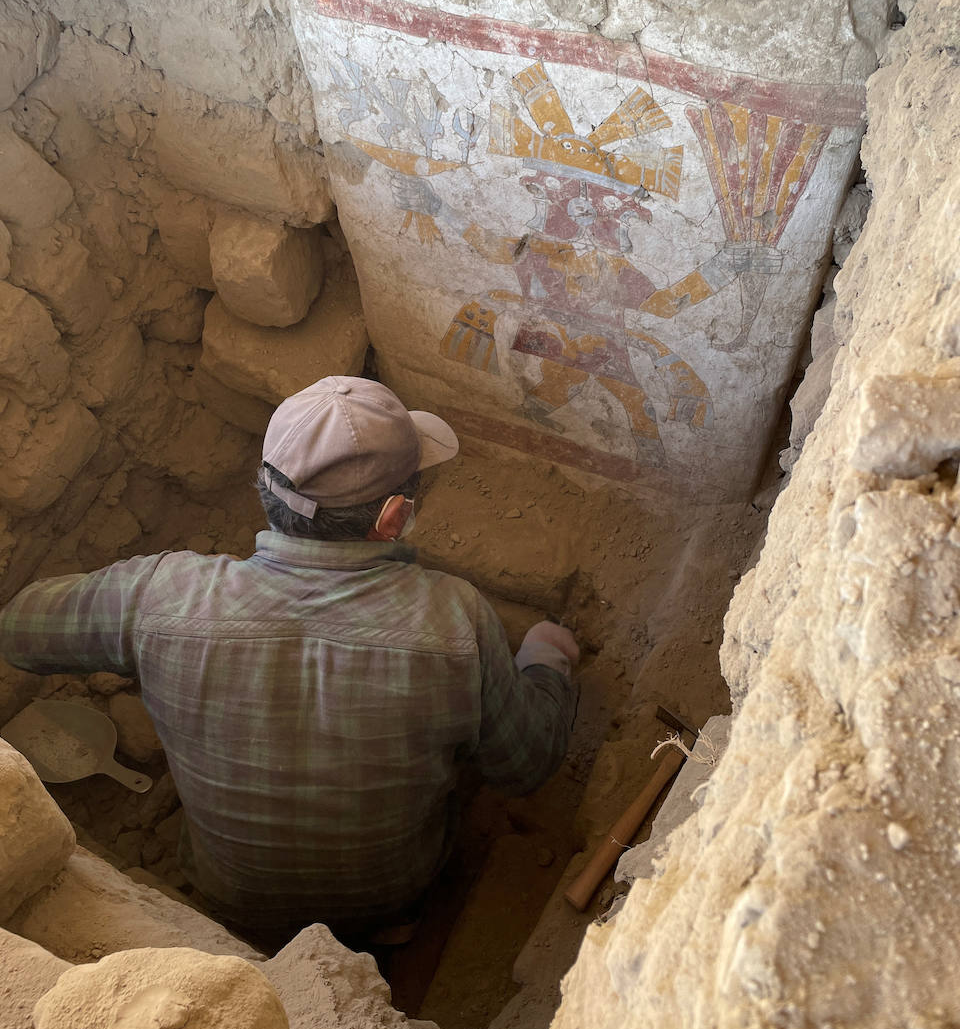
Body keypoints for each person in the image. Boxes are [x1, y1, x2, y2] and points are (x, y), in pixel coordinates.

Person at [0, 376, 579, 943]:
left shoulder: (161, 594)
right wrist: (545, 660)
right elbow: (524, 765)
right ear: (393, 518)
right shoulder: (457, 620)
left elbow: (20, 631)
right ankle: (396, 935)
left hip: (228, 905)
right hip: (387, 902)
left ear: (265, 487)